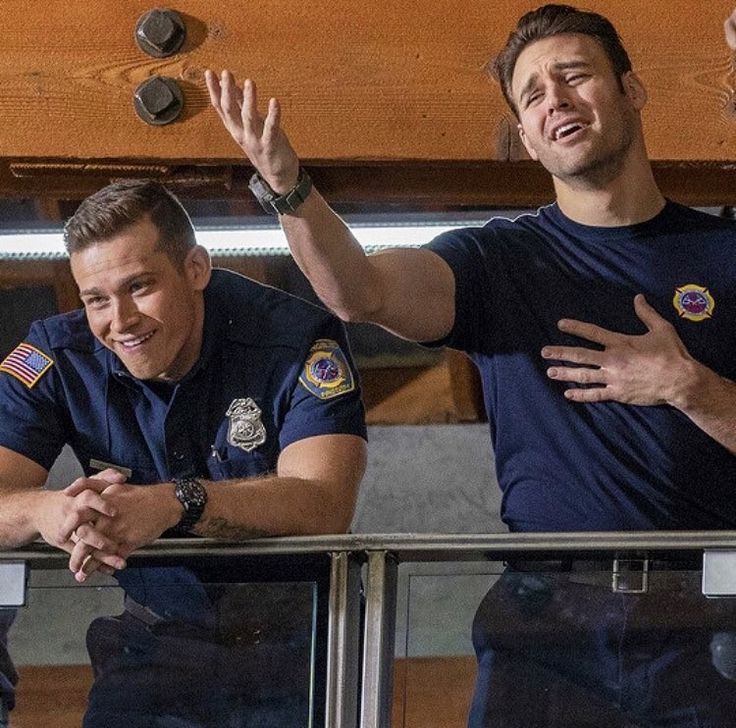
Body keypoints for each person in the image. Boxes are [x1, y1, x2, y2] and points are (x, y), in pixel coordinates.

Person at [206, 3, 736, 726]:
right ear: (526, 135)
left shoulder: (722, 255)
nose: (557, 101)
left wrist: (688, 387)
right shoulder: (496, 260)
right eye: (534, 95)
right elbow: (359, 293)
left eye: (575, 76)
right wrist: (291, 191)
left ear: (631, 91)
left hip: (708, 621)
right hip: (547, 626)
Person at [0, 179, 367, 726]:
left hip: (299, 648)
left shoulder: (294, 339)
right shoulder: (57, 355)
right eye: (96, 299)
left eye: (140, 287)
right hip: (153, 643)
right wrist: (50, 512)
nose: (119, 321)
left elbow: (325, 505)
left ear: (195, 269)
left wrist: (177, 502)